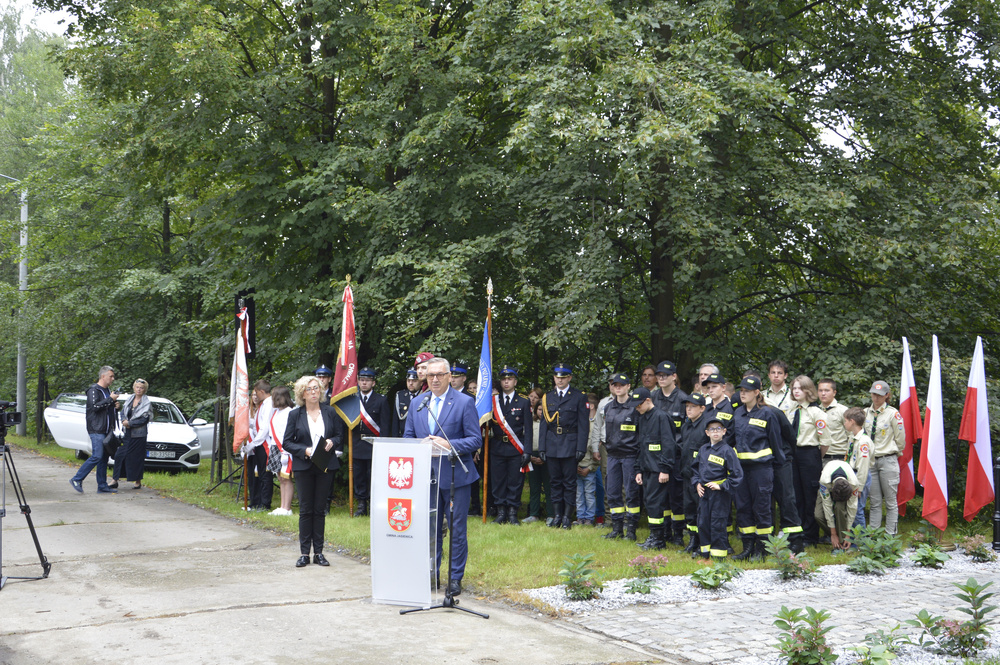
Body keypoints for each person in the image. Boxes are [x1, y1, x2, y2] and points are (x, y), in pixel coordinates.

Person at [403, 357, 483, 596]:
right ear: (425, 377)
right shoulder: (419, 403)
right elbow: (408, 437)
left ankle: (455, 578)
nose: (435, 379)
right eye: (430, 375)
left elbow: (475, 439)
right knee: (430, 529)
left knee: (457, 529)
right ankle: (431, 574)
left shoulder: (464, 402)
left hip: (455, 476)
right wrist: (420, 444)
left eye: (440, 375)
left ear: (450, 376)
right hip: (426, 478)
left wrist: (447, 444)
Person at [283, 375, 344, 567]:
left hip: (325, 465)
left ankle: (319, 552)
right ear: (302, 393)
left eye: (316, 388)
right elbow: (287, 442)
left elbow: (340, 435)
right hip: (304, 466)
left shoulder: (330, 412)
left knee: (319, 510)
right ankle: (304, 554)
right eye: (309, 389)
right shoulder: (295, 414)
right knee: (305, 510)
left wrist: (332, 442)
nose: (314, 392)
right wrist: (305, 450)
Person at [732, 376, 785, 561]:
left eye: (747, 390)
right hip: (741, 471)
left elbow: (776, 442)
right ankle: (747, 547)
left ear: (757, 393)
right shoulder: (737, 413)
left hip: (761, 469)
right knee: (743, 507)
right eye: (741, 390)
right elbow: (731, 439)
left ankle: (762, 549)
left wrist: (779, 466)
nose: (743, 393)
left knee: (762, 508)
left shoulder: (767, 414)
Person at [537, 363, 589, 530]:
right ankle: (557, 515)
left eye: (563, 377)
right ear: (554, 378)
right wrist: (542, 448)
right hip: (552, 444)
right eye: (557, 377)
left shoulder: (579, 397)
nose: (560, 380)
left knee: (569, 483)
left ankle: (567, 516)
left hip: (570, 444)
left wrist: (581, 447)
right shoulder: (547, 397)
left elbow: (583, 425)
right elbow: (544, 424)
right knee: (554, 482)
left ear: (569, 378)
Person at [693, 416, 743, 560]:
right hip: (704, 493)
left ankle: (718, 557)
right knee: (703, 523)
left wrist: (721, 486)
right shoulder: (703, 449)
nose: (715, 432)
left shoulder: (728, 451)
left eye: (719, 429)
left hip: (719, 494)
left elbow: (737, 475)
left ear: (724, 432)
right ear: (707, 433)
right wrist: (697, 483)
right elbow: (695, 469)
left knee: (717, 523)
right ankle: (705, 555)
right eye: (712, 429)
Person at [633, 387, 678, 550]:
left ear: (647, 401)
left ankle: (658, 539)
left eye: (639, 405)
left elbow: (668, 444)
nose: (637, 408)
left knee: (654, 503)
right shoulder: (643, 418)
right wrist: (638, 469)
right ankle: (656, 536)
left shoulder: (661, 417)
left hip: (658, 469)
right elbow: (641, 446)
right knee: (650, 502)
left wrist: (665, 469)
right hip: (647, 468)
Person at [489, 366, 532, 525]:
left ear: (515, 381)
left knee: (515, 481)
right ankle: (501, 512)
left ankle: (513, 512)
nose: (506, 382)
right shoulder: (493, 401)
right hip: (498, 446)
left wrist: (527, 451)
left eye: (509, 379)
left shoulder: (523, 401)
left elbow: (528, 429)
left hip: (516, 448)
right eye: (503, 379)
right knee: (498, 480)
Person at [601, 373, 641, 540]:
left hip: (630, 455)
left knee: (631, 493)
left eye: (621, 385)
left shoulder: (635, 407)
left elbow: (641, 434)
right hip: (612, 455)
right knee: (613, 492)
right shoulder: (609, 407)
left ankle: (631, 531)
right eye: (614, 385)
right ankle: (617, 529)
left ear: (628, 386)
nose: (617, 387)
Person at [788, 375, 827, 546]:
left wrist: (815, 458)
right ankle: (799, 532)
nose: (796, 391)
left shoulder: (816, 412)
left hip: (810, 454)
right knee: (796, 495)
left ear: (808, 390)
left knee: (810, 495)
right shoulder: (793, 410)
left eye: (800, 388)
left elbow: (825, 441)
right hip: (794, 455)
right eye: (794, 388)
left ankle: (811, 536)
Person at [653, 360, 688, 544]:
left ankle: (678, 534)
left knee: (676, 497)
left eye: (665, 375)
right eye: (659, 375)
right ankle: (665, 532)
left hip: (677, 456)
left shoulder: (683, 399)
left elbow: (687, 431)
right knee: (661, 497)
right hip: (657, 456)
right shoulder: (653, 398)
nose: (661, 378)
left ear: (674, 376)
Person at [70, 366, 121, 494]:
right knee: (97, 455)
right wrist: (110, 399)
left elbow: (105, 408)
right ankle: (77, 479)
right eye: (111, 376)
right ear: (103, 376)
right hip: (96, 429)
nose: (113, 379)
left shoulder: (106, 390)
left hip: (106, 429)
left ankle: (102, 485)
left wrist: (115, 407)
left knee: (103, 457)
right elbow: (95, 407)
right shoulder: (93, 390)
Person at [864, 380, 905, 534]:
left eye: (880, 395)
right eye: (874, 394)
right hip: (871, 461)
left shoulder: (893, 414)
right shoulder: (865, 413)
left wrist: (893, 452)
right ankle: (873, 535)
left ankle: (890, 535)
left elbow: (900, 438)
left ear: (887, 395)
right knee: (874, 501)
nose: (876, 398)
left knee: (890, 501)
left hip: (887, 459)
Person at [354, 367, 390, 517]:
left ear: (373, 383)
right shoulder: (353, 400)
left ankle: (374, 503)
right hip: (356, 444)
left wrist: (384, 445)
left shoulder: (381, 400)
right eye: (361, 379)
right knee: (359, 476)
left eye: (367, 380)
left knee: (373, 476)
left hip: (374, 445)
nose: (364, 382)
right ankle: (361, 504)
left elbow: (385, 425)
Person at [679, 393, 710, 553]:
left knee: (701, 511)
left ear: (702, 408)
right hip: (687, 475)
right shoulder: (686, 426)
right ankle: (693, 540)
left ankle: (703, 543)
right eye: (687, 406)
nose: (688, 409)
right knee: (689, 509)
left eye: (693, 406)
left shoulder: (707, 426)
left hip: (701, 477)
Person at [815, 460, 861, 553]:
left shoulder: (854, 483)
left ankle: (841, 544)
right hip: (828, 485)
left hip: (845, 486)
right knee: (818, 515)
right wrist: (833, 533)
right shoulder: (824, 481)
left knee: (840, 508)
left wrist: (847, 534)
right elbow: (827, 507)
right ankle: (834, 536)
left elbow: (852, 509)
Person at [265, 385, 296, 516]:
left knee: (286, 478)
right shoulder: (277, 412)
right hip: (275, 447)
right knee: (280, 478)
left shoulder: (290, 411)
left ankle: (287, 508)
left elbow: (287, 433)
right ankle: (282, 506)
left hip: (285, 449)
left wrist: (285, 452)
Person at [842, 406, 873, 527]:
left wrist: (859, 488)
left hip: (859, 476)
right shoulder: (853, 438)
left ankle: (861, 541)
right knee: (852, 509)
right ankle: (853, 541)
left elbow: (863, 467)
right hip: (852, 474)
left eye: (845, 421)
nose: (844, 424)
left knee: (857, 509)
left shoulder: (863, 442)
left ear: (852, 421)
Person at [117, 379, 151, 490]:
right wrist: (123, 421)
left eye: (141, 388)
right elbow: (123, 412)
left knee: (137, 458)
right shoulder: (129, 399)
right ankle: (115, 479)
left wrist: (130, 423)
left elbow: (144, 419)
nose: (139, 389)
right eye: (137, 387)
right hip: (127, 433)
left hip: (139, 435)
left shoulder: (147, 403)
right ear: (134, 388)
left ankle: (137, 481)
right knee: (120, 455)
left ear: (144, 389)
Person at [245, 380, 274, 511]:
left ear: (262, 392)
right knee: (261, 474)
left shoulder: (269, 405)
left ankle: (265, 503)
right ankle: (260, 502)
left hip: (265, 443)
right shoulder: (263, 405)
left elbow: (264, 429)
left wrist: (252, 444)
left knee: (265, 474)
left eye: (256, 392)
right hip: (260, 444)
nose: (255, 395)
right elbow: (256, 423)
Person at [523, 401, 553, 523]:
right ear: (535, 410)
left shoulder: (551, 423)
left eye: (543, 409)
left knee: (549, 487)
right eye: (539, 410)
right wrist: (530, 456)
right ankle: (534, 514)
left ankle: (551, 514)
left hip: (548, 456)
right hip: (533, 455)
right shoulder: (531, 422)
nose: (541, 412)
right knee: (534, 486)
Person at [392, 368, 422, 437]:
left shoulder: (425, 396)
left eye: (414, 381)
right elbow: (395, 422)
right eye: (408, 381)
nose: (410, 383)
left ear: (421, 383)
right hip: (403, 436)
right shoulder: (400, 395)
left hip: (420, 437)